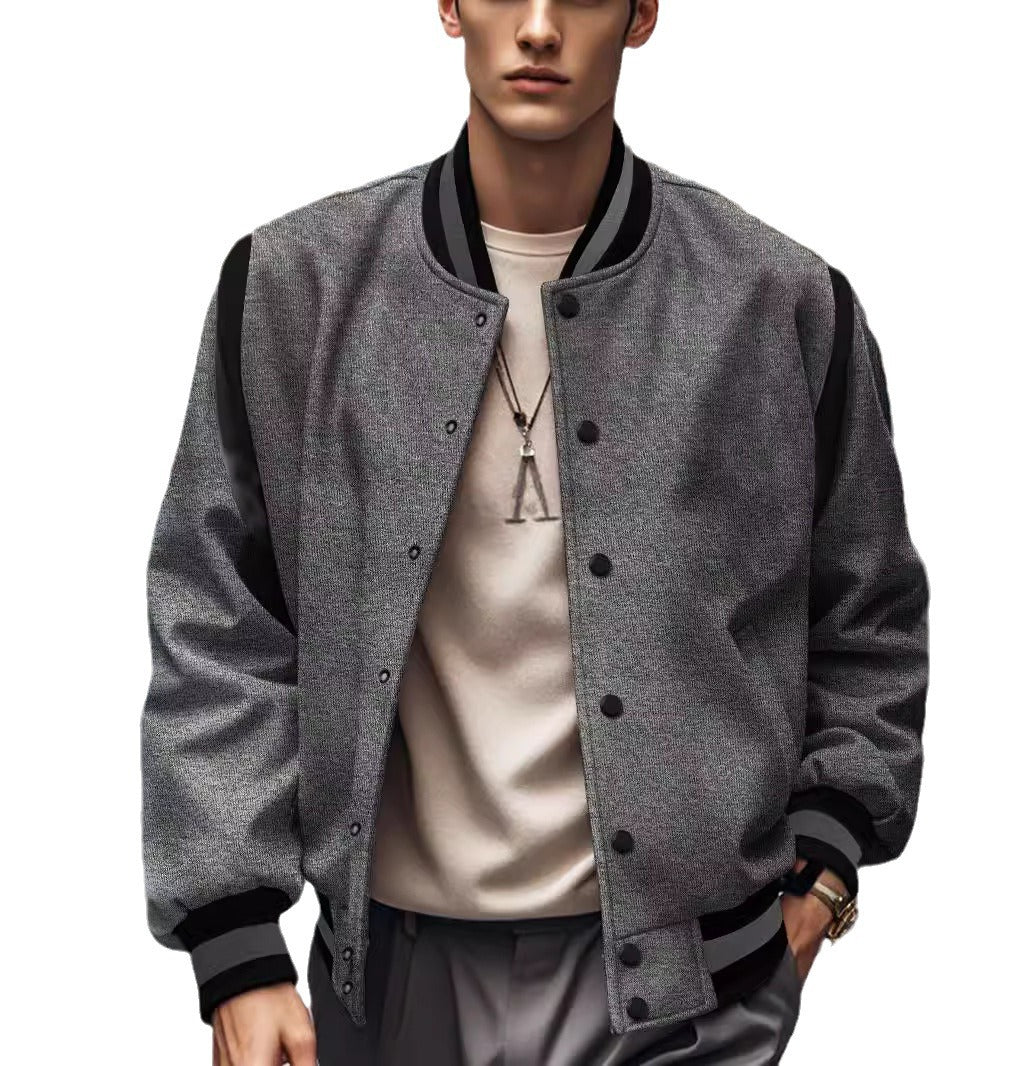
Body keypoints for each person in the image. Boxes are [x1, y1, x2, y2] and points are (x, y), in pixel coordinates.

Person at [139, 1, 930, 1063]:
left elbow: (869, 617)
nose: (541, 26)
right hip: (386, 982)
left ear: (642, 14)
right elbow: (217, 619)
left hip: (696, 987)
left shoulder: (778, 301)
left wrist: (824, 868)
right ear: (449, 5)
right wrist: (236, 946)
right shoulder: (296, 288)